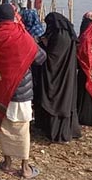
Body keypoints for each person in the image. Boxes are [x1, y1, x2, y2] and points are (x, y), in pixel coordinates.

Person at [0, 3, 44, 179]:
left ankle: (6, 162)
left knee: (3, 126)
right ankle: (25, 168)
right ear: (14, 16)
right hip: (21, 90)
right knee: (22, 128)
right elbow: (40, 58)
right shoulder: (22, 34)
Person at [35, 12, 82, 143]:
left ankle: (58, 132)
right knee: (66, 100)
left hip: (58, 76)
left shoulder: (60, 36)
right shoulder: (65, 33)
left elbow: (53, 58)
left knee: (58, 101)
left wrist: (43, 46)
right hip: (66, 74)